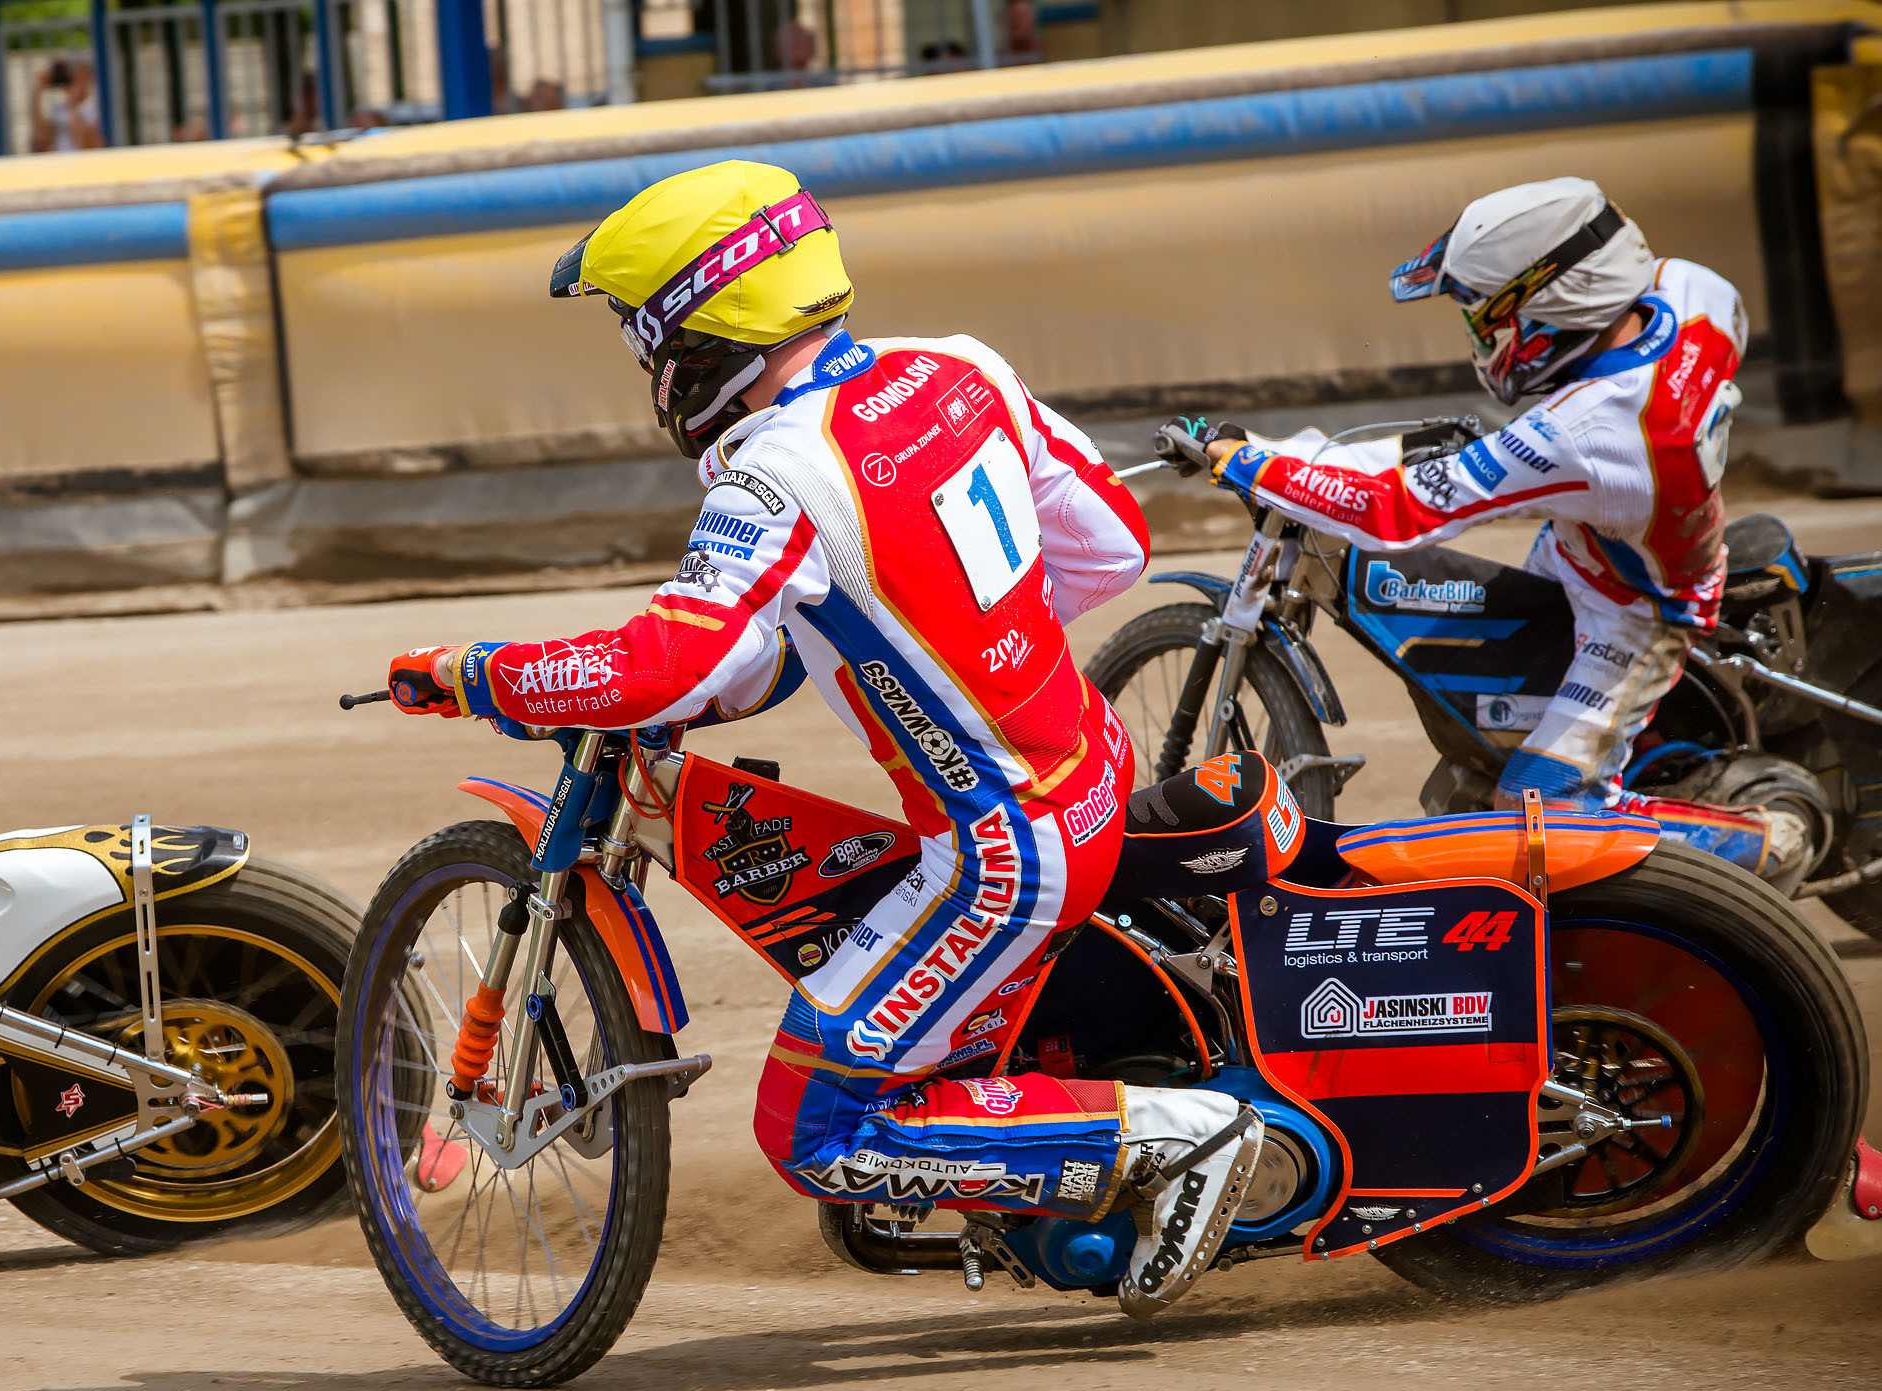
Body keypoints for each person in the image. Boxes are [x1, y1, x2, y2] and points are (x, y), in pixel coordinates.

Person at [380, 160, 1264, 1318]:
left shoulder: (775, 474)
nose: (649, 372)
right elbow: (1110, 548)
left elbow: (668, 665)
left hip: (1006, 851)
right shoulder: (959, 365)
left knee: (809, 1125)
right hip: (1091, 765)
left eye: (644, 341)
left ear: (696, 333)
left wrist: (478, 671)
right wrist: (959, 639)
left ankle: (1175, 1136)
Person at [1201, 178, 1793, 878]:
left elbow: (1395, 509)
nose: (1488, 341)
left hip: (1636, 609)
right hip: (1600, 540)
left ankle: (1769, 841)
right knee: (1488, 719)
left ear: (1557, 307)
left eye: (1494, 322)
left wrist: (1245, 462)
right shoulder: (1694, 292)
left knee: (1540, 808)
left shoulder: (1588, 432)